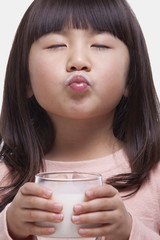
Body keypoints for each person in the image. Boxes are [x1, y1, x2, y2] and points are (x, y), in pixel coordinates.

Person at [0, 0, 160, 239]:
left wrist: (129, 232)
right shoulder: (5, 176)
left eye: (100, 45)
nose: (78, 60)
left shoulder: (154, 174)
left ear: (131, 79)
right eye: (56, 45)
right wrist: (9, 226)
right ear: (25, 80)